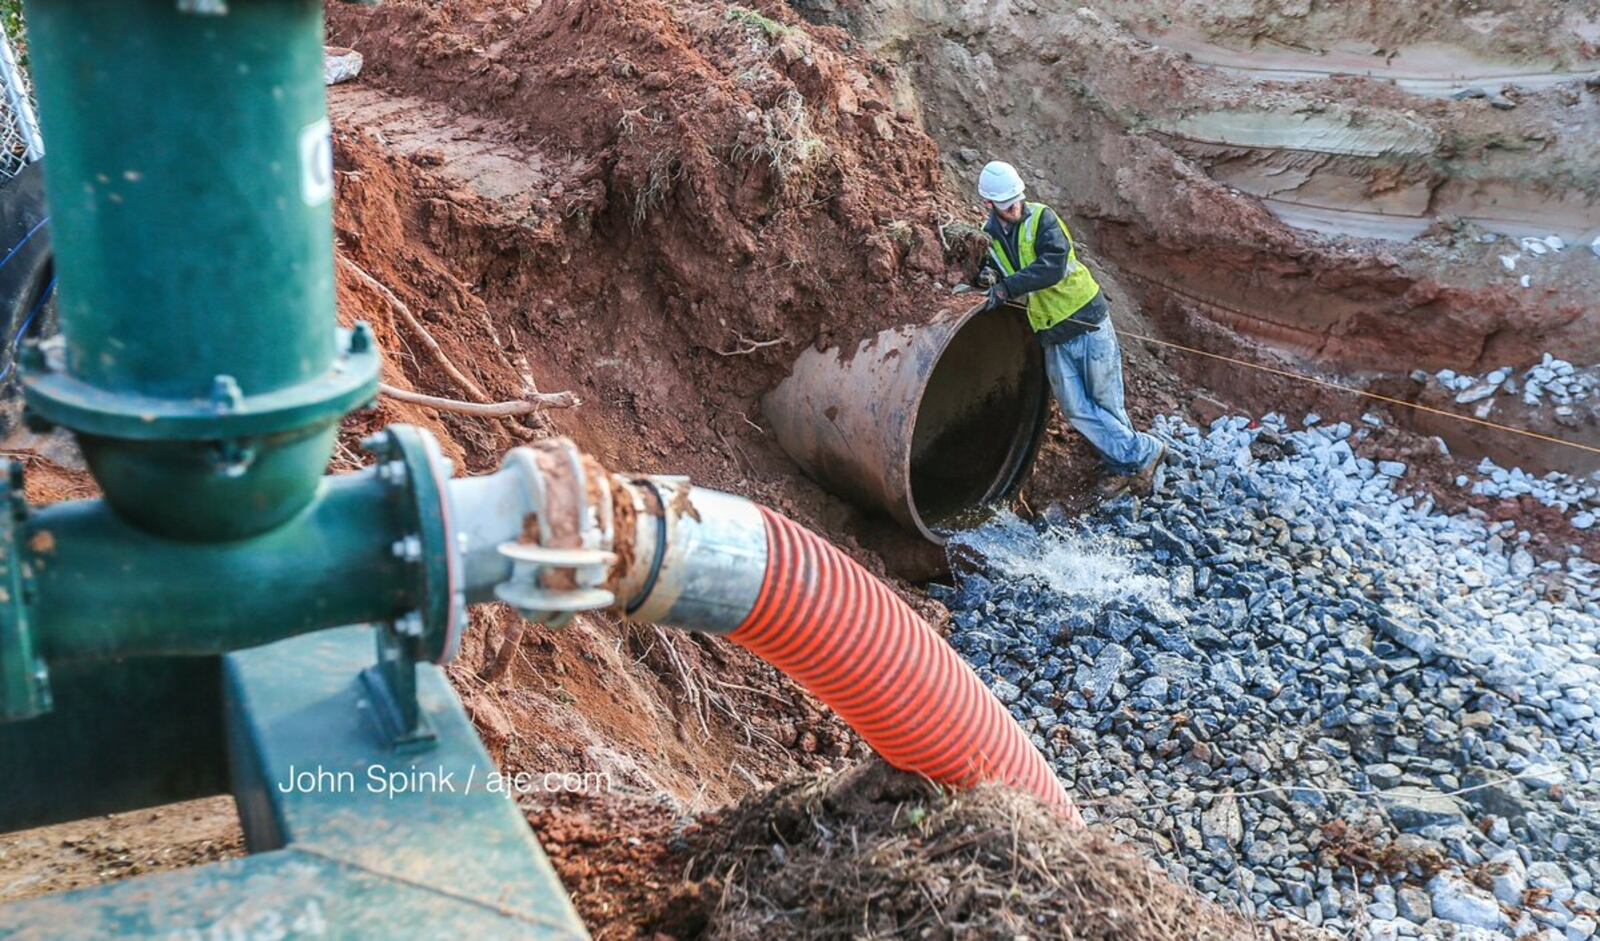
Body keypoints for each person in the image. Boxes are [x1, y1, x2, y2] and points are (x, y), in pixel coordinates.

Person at [975, 160, 1164, 497]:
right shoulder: (988, 238)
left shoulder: (1042, 219)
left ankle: (1126, 465)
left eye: (1017, 199)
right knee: (1075, 406)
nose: (1015, 208)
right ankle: (1142, 452)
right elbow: (993, 272)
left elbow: (1052, 267)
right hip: (1052, 332)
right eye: (1007, 205)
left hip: (1086, 320)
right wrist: (989, 280)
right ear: (989, 204)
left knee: (1106, 402)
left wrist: (1006, 289)